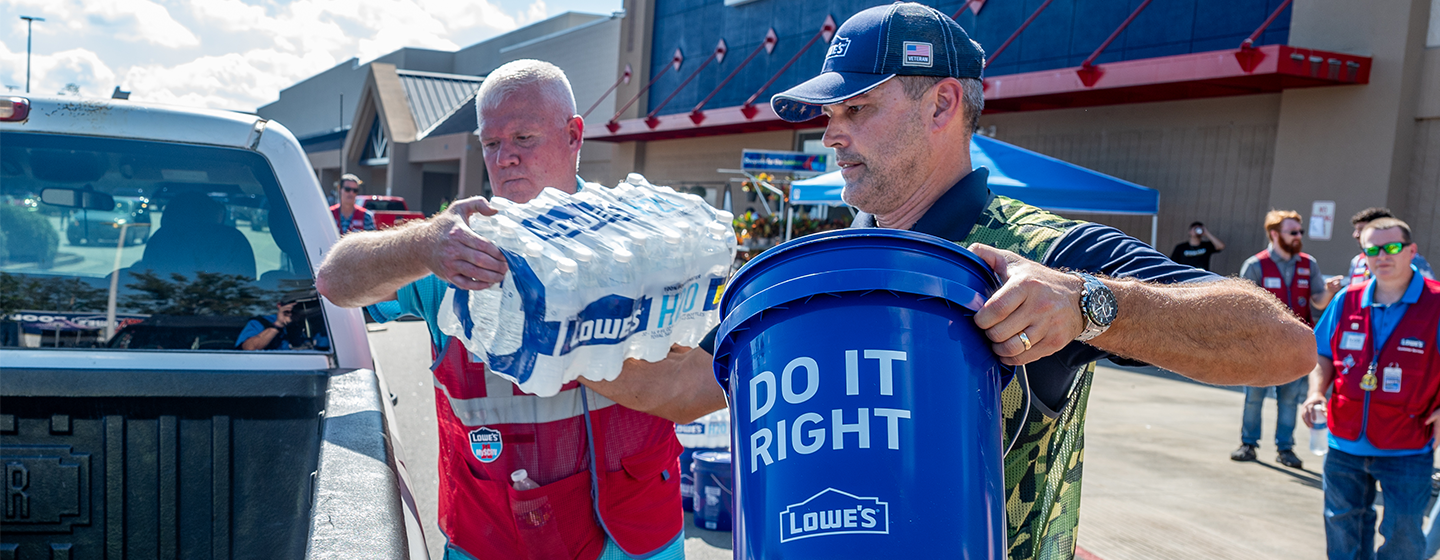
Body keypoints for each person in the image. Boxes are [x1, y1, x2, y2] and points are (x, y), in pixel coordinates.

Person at [629, 5, 1315, 559]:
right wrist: (565, 330)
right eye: (829, 115)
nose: (831, 134)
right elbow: (685, 386)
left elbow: (1284, 346)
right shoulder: (828, 264)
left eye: (856, 108)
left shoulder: (1044, 251)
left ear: (942, 104)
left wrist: (1087, 305)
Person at [315, 60, 722, 560]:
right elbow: (335, 280)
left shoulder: (639, 240)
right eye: (491, 143)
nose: (505, 157)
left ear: (573, 135)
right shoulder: (459, 248)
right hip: (499, 537)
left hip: (640, 534)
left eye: (524, 138)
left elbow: (694, 376)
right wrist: (422, 245)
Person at [1300, 218, 1440, 560]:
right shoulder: (1346, 299)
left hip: (1407, 444)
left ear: (1411, 251)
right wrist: (1316, 393)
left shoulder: (1436, 303)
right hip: (1344, 442)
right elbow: (1322, 353)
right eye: (1372, 249)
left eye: (1392, 247)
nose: (1382, 256)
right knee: (1342, 531)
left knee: (1403, 538)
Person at [1229, 210, 1341, 468]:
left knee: (1289, 400)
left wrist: (1329, 292)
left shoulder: (1308, 264)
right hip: (1260, 348)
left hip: (1296, 347)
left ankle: (1285, 448)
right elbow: (1242, 307)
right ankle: (1248, 444)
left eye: (1300, 232)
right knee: (1254, 398)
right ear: (1275, 234)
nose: (1298, 236)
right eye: (1293, 232)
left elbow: (1318, 301)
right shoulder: (1255, 265)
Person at [1346, 207, 1434, 285]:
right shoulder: (1358, 261)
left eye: (1361, 229)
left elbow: (1429, 291)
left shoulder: (1411, 259)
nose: (1355, 235)